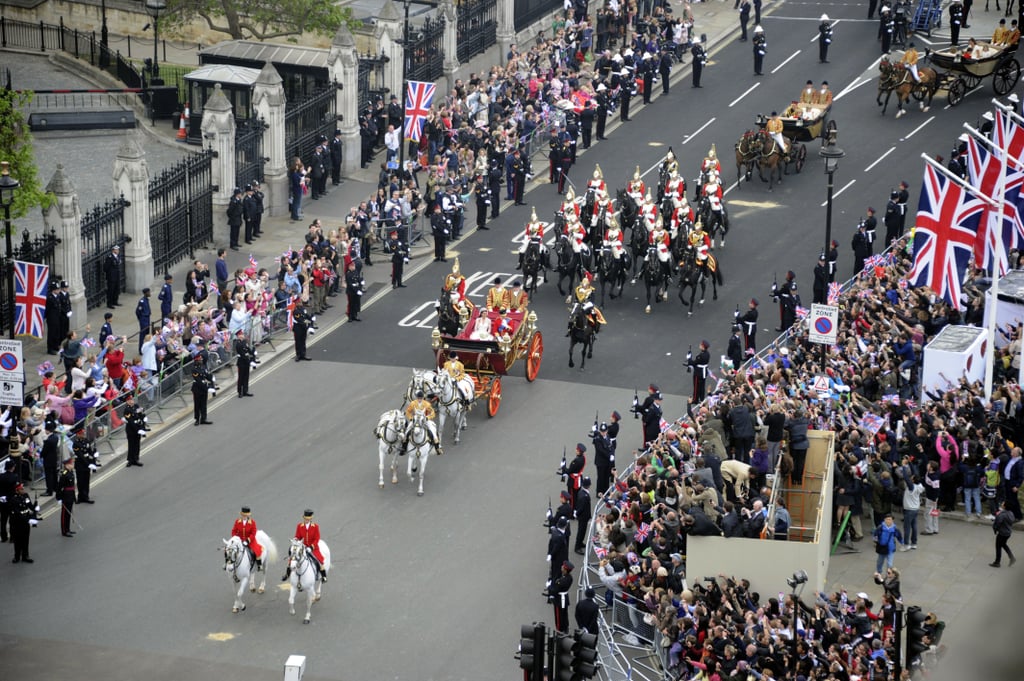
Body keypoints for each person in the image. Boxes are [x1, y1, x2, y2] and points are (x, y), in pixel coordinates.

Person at [283, 509, 328, 582]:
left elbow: (317, 539)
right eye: (305, 519)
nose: (307, 520)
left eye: (308, 519)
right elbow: (297, 536)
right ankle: (287, 574)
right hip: (302, 547)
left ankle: (323, 576)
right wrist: (295, 539)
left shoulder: (315, 526)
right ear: (303, 518)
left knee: (319, 561)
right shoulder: (299, 526)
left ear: (311, 519)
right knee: (292, 558)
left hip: (313, 548)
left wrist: (311, 547)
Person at [8, 482, 38, 563]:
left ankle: (25, 555)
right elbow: (17, 512)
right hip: (17, 522)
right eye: (21, 489)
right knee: (17, 540)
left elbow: (29, 505)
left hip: (25, 521)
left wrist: (35, 508)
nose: (23, 490)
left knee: (25, 539)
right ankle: (17, 556)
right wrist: (28, 520)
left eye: (23, 488)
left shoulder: (25, 495)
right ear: (17, 490)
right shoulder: (13, 499)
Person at [231, 506, 265, 572]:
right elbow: (234, 531)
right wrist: (235, 538)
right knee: (231, 550)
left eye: (245, 515)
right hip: (239, 540)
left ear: (248, 515)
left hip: (250, 540)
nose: (244, 517)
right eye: (243, 515)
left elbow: (253, 533)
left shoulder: (252, 522)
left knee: (256, 550)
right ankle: (228, 563)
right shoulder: (237, 521)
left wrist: (247, 540)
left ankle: (259, 564)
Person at [72, 430, 98, 504]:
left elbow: (89, 451)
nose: (84, 435)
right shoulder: (76, 443)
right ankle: (80, 497)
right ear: (78, 435)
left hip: (86, 463)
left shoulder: (86, 441)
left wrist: (93, 455)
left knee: (86, 481)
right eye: (82, 434)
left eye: (84, 434)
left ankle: (86, 496)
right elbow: (80, 455)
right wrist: (88, 464)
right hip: (80, 464)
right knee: (80, 482)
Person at [990, 500, 1017, 567]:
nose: (1002, 503)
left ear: (1004, 506)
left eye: (1003, 503)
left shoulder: (1002, 514)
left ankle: (997, 562)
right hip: (1008, 533)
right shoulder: (1011, 513)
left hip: (1002, 533)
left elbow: (998, 523)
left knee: (998, 546)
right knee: (1003, 544)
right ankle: (1012, 558)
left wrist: (995, 528)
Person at [123, 392, 147, 467]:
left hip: (138, 428)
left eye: (132, 399)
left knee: (137, 444)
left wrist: (144, 420)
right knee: (131, 445)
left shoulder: (136, 406)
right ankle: (130, 460)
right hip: (131, 430)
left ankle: (136, 459)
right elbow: (131, 421)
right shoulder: (127, 410)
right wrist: (137, 430)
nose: (131, 401)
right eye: (129, 400)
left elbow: (141, 414)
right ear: (127, 401)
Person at [551, 559, 574, 633]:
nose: (561, 567)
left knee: (559, 616)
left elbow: (555, 590)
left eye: (563, 567)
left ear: (565, 570)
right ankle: (565, 628)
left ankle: (559, 630)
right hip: (564, 598)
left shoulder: (562, 580)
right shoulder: (569, 577)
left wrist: (549, 588)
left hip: (559, 599)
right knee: (564, 614)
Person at [57, 455, 76, 537]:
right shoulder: (64, 474)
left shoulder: (71, 472)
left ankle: (68, 529)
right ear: (67, 465)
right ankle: (64, 530)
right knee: (65, 514)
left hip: (71, 494)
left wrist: (74, 497)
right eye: (71, 463)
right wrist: (59, 498)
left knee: (69, 513)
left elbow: (72, 486)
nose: (73, 465)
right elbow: (59, 487)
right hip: (65, 495)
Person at [574, 477, 592, 555]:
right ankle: (577, 547)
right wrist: (576, 514)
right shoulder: (584, 496)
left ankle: (580, 542)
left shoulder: (581, 492)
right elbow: (581, 508)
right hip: (583, 517)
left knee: (583, 531)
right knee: (581, 531)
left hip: (584, 516)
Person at [103, 244, 122, 309]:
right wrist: (110, 274)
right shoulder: (109, 258)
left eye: (118, 249)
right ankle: (109, 303)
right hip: (111, 277)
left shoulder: (118, 256)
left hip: (117, 276)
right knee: (111, 290)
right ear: (113, 250)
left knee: (116, 289)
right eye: (116, 249)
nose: (118, 250)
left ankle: (115, 301)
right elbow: (105, 268)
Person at [135, 288, 151, 354]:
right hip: (143, 319)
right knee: (143, 334)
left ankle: (146, 348)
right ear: (145, 293)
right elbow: (138, 311)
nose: (150, 293)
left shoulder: (146, 300)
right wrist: (140, 319)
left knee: (147, 334)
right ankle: (141, 349)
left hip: (147, 318)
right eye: (148, 292)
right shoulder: (142, 301)